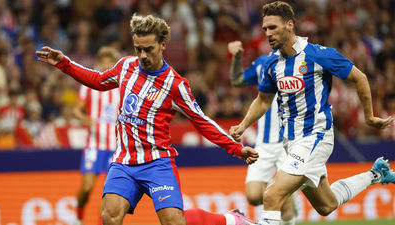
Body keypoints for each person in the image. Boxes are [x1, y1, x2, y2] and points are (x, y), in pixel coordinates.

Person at [37, 14, 259, 225]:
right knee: (109, 215)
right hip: (124, 162)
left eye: (148, 49)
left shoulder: (175, 84)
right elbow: (97, 80)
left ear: (163, 45)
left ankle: (229, 220)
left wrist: (236, 149)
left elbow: (201, 121)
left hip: (158, 163)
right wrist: (63, 63)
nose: (142, 55)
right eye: (138, 49)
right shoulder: (126, 66)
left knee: (174, 222)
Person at [229, 2, 395, 225]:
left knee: (271, 195)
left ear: (289, 25)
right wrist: (243, 125)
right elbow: (263, 100)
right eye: (265, 29)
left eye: (273, 27)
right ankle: (376, 174)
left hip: (315, 137)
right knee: (326, 205)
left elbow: (360, 78)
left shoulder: (318, 54)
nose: (268, 33)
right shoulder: (271, 63)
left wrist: (369, 117)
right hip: (291, 142)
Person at [228, 40, 296, 225]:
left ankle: (288, 209)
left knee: (282, 196)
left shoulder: (300, 62)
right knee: (253, 196)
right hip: (264, 144)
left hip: (288, 142)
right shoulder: (262, 64)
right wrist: (237, 57)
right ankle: (286, 199)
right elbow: (236, 80)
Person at [73, 46, 121, 225]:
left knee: (110, 192)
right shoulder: (89, 86)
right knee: (87, 187)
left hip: (115, 147)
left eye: (110, 61)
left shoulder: (121, 87)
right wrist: (85, 118)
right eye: (103, 61)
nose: (106, 64)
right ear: (99, 63)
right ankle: (78, 216)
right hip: (94, 144)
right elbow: (76, 111)